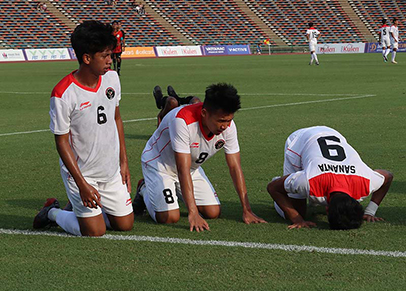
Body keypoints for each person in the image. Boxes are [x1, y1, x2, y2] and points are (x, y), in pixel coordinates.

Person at [33, 20, 134, 237]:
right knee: (95, 232)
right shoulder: (63, 94)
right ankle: (52, 212)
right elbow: (62, 142)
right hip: (83, 174)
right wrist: (81, 184)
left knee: (125, 224)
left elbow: (116, 118)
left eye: (110, 54)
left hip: (110, 171)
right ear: (87, 58)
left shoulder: (112, 79)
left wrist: (123, 163)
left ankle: (85, 210)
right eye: (105, 56)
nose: (110, 61)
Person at [134, 83, 266, 231]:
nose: (225, 126)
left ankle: (173, 193)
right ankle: (144, 189)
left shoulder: (229, 126)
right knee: (169, 217)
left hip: (190, 168)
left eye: (229, 120)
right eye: (221, 121)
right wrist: (193, 212)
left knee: (213, 212)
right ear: (204, 113)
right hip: (160, 165)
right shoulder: (183, 121)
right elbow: (181, 169)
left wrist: (246, 209)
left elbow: (235, 167)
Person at [267, 126, 393, 230]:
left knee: (301, 203)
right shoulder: (309, 182)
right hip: (299, 141)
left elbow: (388, 176)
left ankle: (289, 184)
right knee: (297, 211)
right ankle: (283, 180)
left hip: (333, 133)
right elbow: (272, 188)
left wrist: (370, 211)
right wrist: (297, 219)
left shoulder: (366, 182)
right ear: (327, 209)